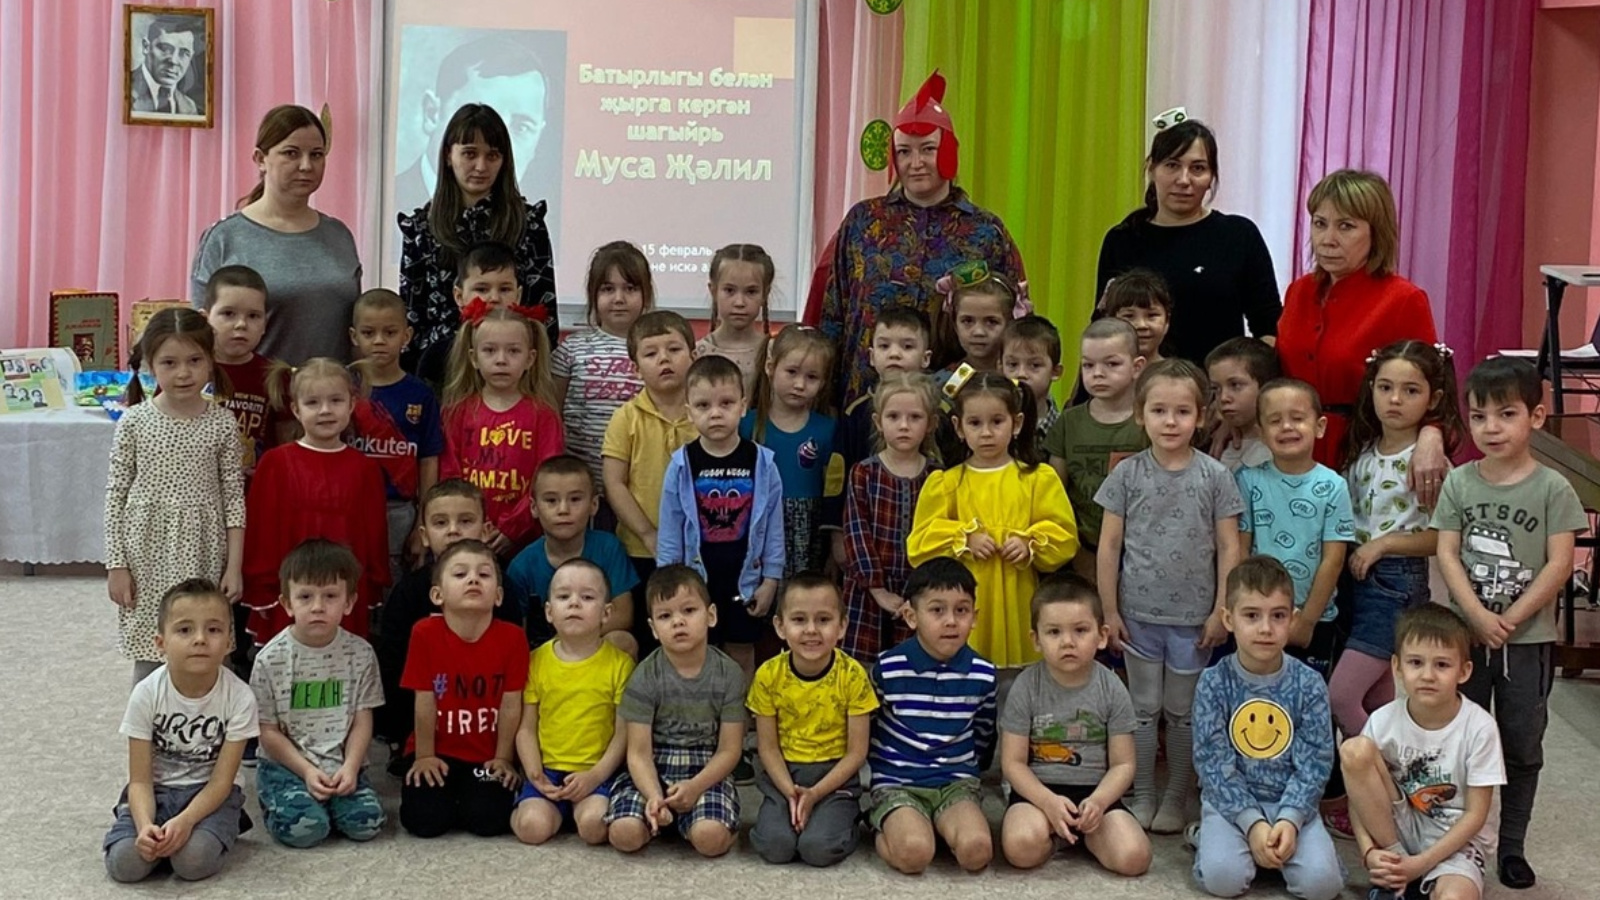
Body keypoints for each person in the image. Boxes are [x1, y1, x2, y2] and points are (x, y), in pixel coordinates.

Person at [1432, 356, 1587, 890]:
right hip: (1466, 640)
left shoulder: (1553, 488)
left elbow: (1559, 564)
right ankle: (1460, 841)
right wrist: (1477, 616)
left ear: (1536, 417)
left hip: (1527, 641)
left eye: (1506, 414)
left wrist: (1511, 618)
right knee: (1461, 739)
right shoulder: (1459, 482)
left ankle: (1512, 845)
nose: (1491, 428)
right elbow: (1447, 553)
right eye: (1479, 417)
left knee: (1521, 743)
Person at [813, 71, 1026, 407]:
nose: (916, 163)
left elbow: (1014, 326)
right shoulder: (863, 222)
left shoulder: (986, 232)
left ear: (948, 151)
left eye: (928, 149)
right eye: (904, 152)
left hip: (956, 403)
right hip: (864, 399)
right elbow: (832, 316)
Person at [1096, 359, 1243, 831]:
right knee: (1142, 710)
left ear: (1201, 417)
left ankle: (1177, 797)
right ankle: (1142, 793)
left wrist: (1223, 610)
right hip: (1137, 615)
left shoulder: (1215, 476)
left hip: (1194, 620)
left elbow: (1229, 546)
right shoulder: (1126, 474)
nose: (1170, 421)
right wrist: (1109, 610)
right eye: (1159, 410)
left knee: (1182, 713)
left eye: (1182, 411)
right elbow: (1109, 546)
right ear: (1141, 415)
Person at [1277, 169, 1448, 501]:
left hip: (1365, 454)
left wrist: (1432, 435)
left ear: (1375, 233)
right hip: (1293, 449)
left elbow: (1432, 384)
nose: (1327, 239)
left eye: (1346, 226)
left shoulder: (1403, 299)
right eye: (1320, 223)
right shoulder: (1299, 291)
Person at [104, 309, 245, 684]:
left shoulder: (222, 422)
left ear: (210, 361)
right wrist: (116, 565)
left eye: (194, 360)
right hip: (146, 551)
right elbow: (115, 497)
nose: (183, 373)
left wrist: (234, 566)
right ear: (150, 365)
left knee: (207, 640)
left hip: (203, 549)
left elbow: (234, 498)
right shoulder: (134, 422)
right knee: (153, 648)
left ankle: (216, 719)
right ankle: (148, 719)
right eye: (170, 362)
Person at [1329, 341, 1462, 738]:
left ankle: (1386, 765)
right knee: (1375, 697)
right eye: (1385, 387)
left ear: (1432, 399)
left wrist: (1384, 544)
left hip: (1395, 583)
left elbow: (1441, 536)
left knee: (1341, 696)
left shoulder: (1428, 463)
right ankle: (1380, 777)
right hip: (1355, 577)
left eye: (1411, 390)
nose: (1395, 399)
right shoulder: (1363, 451)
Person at [1192, 557, 1343, 900]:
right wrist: (1252, 823)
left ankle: (1275, 847)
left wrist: (1290, 819)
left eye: (1277, 616)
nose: (1265, 628)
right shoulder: (1213, 683)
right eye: (1251, 615)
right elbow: (1212, 763)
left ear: (1293, 619)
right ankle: (1210, 838)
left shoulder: (1310, 684)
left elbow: (1316, 762)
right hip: (1230, 805)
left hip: (1292, 803)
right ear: (1228, 619)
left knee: (1322, 886)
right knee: (1223, 880)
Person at [909, 372, 1077, 668]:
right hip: (964, 606)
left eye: (997, 421)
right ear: (959, 427)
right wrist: (963, 539)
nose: (986, 432)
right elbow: (920, 545)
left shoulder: (1037, 479)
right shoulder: (946, 484)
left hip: (1019, 600)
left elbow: (1064, 536)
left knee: (1019, 683)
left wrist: (1029, 543)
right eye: (975, 423)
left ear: (1017, 423)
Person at [1340, 604, 1505, 900]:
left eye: (1442, 665)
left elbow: (1476, 815)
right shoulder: (1382, 720)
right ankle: (1396, 872)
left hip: (1456, 839)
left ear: (1464, 671)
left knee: (1456, 897)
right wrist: (1368, 852)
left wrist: (1420, 865)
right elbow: (1358, 796)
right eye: (1416, 662)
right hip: (1398, 831)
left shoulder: (1480, 728)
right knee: (1354, 751)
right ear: (1397, 666)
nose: (1427, 675)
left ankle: (1407, 881)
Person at [102, 581, 258, 883]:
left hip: (210, 794)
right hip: (156, 792)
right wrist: (145, 827)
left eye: (213, 630)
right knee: (125, 865)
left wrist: (186, 821)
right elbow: (140, 780)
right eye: (185, 630)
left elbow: (222, 782)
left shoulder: (240, 698)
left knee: (191, 863)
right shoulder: (146, 694)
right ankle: (162, 837)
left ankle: (217, 828)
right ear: (161, 643)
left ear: (229, 641)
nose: (200, 639)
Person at [1095, 117, 1279, 367]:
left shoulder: (1239, 235)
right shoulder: (1123, 239)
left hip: (1216, 386)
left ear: (1211, 176)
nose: (1184, 180)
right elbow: (1103, 327)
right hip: (1140, 386)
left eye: (1198, 168)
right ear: (1152, 169)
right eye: (1172, 165)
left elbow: (1268, 326)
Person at [1000, 573, 1150, 875]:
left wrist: (1099, 802)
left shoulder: (1112, 687)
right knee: (1020, 848)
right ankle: (1058, 837)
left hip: (1097, 793)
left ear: (1102, 636)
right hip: (1038, 794)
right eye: (1054, 632)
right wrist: (1047, 802)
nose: (1067, 642)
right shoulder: (1026, 686)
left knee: (1135, 858)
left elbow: (1123, 764)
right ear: (1036, 640)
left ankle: (1088, 836)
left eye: (1080, 630)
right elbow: (1013, 763)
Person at [191, 105, 361, 366]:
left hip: (332, 390)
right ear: (260, 159)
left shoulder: (339, 236)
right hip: (255, 389)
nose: (306, 165)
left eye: (316, 155)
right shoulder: (224, 238)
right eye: (291, 153)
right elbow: (200, 338)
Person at [399, 103, 557, 373]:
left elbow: (545, 316)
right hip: (442, 370)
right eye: (470, 154)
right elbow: (413, 321)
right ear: (448, 155)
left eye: (492, 155)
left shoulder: (528, 223)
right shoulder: (421, 229)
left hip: (512, 370)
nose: (481, 166)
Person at [374, 480, 524, 763]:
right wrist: (406, 735)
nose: (453, 530)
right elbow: (393, 665)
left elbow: (513, 671)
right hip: (423, 722)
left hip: (487, 723)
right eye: (441, 523)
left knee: (487, 790)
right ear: (425, 534)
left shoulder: (502, 588)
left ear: (486, 530)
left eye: (465, 521)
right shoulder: (408, 592)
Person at [249, 540, 385, 848]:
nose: (318, 607)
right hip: (286, 767)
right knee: (306, 831)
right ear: (287, 603)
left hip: (341, 763)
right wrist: (307, 771)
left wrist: (351, 767)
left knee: (367, 824)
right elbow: (267, 731)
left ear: (349, 602)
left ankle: (331, 800)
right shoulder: (270, 659)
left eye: (330, 596)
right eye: (305, 596)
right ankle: (279, 799)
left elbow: (362, 720)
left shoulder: (361, 654)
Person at [244, 359, 390, 646]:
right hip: (290, 596)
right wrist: (263, 587)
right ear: (296, 409)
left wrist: (372, 583)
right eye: (313, 402)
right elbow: (261, 531)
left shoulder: (365, 468)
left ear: (351, 404)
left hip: (342, 595)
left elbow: (374, 533)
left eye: (335, 400)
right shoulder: (275, 463)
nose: (325, 410)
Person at [657, 355, 785, 679]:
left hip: (746, 581)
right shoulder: (681, 464)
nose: (715, 413)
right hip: (695, 583)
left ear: (743, 406)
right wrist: (668, 584)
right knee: (697, 653)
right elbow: (670, 530)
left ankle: (739, 710)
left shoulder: (763, 463)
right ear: (689, 412)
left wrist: (771, 580)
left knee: (741, 652)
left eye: (726, 403)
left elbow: (774, 527)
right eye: (703, 405)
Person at [866, 558, 997, 875]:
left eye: (962, 610)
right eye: (937, 610)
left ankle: (936, 824)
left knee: (977, 852)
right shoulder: (888, 668)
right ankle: (885, 826)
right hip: (898, 782)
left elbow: (984, 733)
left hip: (956, 782)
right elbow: (869, 727)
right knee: (914, 854)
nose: (951, 621)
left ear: (974, 617)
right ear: (911, 616)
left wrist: (970, 770)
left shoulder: (983, 673)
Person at [605, 566, 746, 857]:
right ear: (653, 629)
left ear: (711, 615)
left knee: (710, 839)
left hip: (706, 771)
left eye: (689, 610)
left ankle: (706, 824)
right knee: (624, 835)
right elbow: (638, 753)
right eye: (665, 616)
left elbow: (729, 750)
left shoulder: (729, 674)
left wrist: (694, 787)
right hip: (652, 770)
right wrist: (654, 796)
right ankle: (662, 819)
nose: (678, 621)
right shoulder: (644, 676)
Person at [747, 574, 878, 867]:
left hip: (834, 775)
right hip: (783, 774)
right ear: (780, 626)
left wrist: (816, 793)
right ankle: (792, 812)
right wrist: (791, 792)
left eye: (823, 620)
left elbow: (857, 752)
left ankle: (845, 819)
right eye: (799, 620)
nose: (811, 630)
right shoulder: (768, 675)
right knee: (775, 847)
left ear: (842, 626)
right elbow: (767, 748)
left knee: (817, 849)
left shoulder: (853, 676)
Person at [399, 540, 527, 837]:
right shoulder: (424, 633)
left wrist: (504, 758)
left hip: (485, 758)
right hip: (438, 752)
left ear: (498, 595)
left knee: (489, 820)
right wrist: (424, 756)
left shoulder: (513, 638)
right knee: (424, 820)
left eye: (484, 574)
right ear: (437, 595)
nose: (473, 580)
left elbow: (511, 704)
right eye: (460, 574)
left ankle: (466, 797)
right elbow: (424, 699)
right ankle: (450, 798)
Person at [511, 559, 637, 846]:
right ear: (549, 611)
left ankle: (577, 812)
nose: (574, 603)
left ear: (606, 613)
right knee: (531, 829)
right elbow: (526, 728)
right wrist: (534, 773)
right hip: (548, 771)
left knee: (594, 827)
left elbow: (623, 733)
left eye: (587, 597)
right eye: (564, 596)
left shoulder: (620, 665)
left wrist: (595, 775)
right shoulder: (535, 661)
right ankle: (535, 806)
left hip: (597, 772)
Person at [1236, 379, 1356, 678]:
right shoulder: (1248, 480)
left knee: (1308, 695)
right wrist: (1248, 609)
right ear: (1261, 432)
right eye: (1275, 420)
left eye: (1298, 418)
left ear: (1320, 426)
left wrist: (1307, 621)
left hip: (1314, 618)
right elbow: (1240, 550)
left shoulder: (1334, 486)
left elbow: (1333, 560)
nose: (1287, 427)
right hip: (1257, 615)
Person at [602, 311, 699, 651]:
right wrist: (647, 533)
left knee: (695, 632)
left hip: (699, 549)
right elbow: (614, 483)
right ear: (635, 367)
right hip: (641, 548)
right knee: (649, 638)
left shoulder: (707, 415)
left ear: (693, 355)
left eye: (674, 349)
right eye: (651, 353)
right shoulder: (625, 418)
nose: (664, 359)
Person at [439, 304, 563, 557]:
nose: (501, 360)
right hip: (466, 534)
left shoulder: (544, 416)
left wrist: (512, 528)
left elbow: (547, 477)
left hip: (526, 540)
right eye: (490, 350)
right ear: (474, 357)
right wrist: (469, 522)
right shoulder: (456, 413)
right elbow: (449, 474)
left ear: (530, 358)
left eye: (513, 351)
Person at [394, 37, 553, 223]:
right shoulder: (393, 210)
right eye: (479, 121)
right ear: (432, 114)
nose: (500, 142)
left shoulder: (530, 225)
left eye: (521, 127)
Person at [346, 289, 443, 579]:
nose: (379, 341)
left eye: (389, 332)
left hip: (399, 510)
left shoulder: (420, 394)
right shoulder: (342, 389)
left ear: (406, 335)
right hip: (347, 506)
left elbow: (429, 459)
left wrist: (422, 521)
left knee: (394, 585)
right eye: (368, 333)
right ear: (354, 336)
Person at [842, 374, 937, 666]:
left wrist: (923, 592)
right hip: (867, 590)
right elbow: (856, 533)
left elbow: (939, 536)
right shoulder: (864, 473)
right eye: (894, 416)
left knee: (913, 665)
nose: (904, 425)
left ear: (930, 424)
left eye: (915, 417)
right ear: (878, 422)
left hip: (919, 592)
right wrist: (878, 589)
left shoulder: (938, 476)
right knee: (863, 668)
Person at [1047, 318, 1148, 580]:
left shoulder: (1150, 423)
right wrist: (1076, 551)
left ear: (1137, 367)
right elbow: (1055, 495)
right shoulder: (1068, 422)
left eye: (1111, 364)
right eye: (1088, 365)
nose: (1098, 373)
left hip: (1141, 553)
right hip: (1081, 550)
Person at [506, 455, 640, 652]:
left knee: (622, 641)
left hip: (593, 645)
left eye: (575, 499)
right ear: (534, 507)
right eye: (551, 500)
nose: (563, 509)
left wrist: (574, 638)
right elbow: (517, 634)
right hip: (545, 655)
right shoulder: (521, 566)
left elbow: (623, 615)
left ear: (594, 505)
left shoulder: (608, 547)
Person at [552, 241, 652, 499]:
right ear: (593, 294)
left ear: (646, 295)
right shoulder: (571, 349)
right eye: (608, 289)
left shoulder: (657, 350)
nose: (619, 298)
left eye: (630, 288)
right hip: (580, 488)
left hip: (638, 485)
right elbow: (552, 412)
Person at [742, 325, 841, 577]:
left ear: (823, 382)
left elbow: (833, 492)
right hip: (759, 526)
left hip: (810, 532)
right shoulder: (746, 425)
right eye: (791, 372)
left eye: (812, 377)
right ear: (770, 367)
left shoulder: (828, 430)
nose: (800, 384)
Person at [414, 241, 549, 388]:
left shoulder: (531, 350)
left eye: (504, 289)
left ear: (518, 295)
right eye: (482, 289)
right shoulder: (438, 355)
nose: (494, 298)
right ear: (459, 296)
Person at [202, 265, 285, 480]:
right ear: (205, 319)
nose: (241, 324)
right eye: (228, 314)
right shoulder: (189, 371)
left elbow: (287, 444)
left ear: (265, 324)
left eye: (253, 316)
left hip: (256, 492)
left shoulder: (275, 376)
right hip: (198, 490)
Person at [837, 307, 933, 472]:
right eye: (884, 346)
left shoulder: (935, 408)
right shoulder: (856, 412)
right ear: (872, 357)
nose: (894, 354)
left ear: (925, 358)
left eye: (907, 347)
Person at [697, 244, 775, 397]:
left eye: (751, 291)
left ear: (765, 294)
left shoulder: (775, 353)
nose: (739, 302)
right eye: (729, 290)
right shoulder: (697, 354)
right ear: (713, 291)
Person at [936, 259, 1024, 383]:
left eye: (991, 322)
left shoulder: (1023, 379)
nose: (979, 332)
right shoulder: (942, 384)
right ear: (955, 324)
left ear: (1009, 324)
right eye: (967, 321)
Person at [1205, 337, 1280, 473]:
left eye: (1235, 385)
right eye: (1216, 388)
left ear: (1265, 387)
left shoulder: (1282, 450)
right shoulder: (1212, 443)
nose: (1223, 398)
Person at [1001, 315, 1064, 451]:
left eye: (1035, 365)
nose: (1021, 374)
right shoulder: (992, 424)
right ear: (1000, 368)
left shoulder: (1065, 428)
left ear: (1055, 371)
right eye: (1012, 364)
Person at [130, 16, 199, 115]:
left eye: (184, 53)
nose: (174, 61)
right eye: (164, 48)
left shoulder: (189, 107)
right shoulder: (121, 90)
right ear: (146, 47)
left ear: (191, 56)